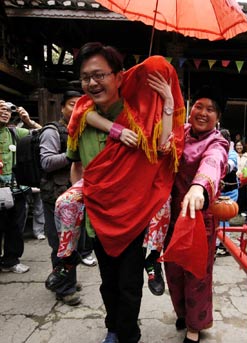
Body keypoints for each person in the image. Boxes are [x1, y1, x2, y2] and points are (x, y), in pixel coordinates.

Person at [66, 42, 184, 343]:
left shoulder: (137, 114)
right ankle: (114, 327)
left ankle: (128, 334)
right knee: (108, 283)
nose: (92, 83)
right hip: (97, 218)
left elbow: (161, 146)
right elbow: (76, 164)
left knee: (129, 284)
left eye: (99, 75)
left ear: (120, 77)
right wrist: (76, 199)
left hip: (133, 220)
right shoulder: (82, 117)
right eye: (85, 77)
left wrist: (167, 101)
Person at [164, 85, 229, 343]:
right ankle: (182, 312)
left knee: (197, 274)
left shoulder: (217, 142)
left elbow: (213, 162)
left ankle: (195, 325)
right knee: (173, 269)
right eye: (199, 106)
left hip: (199, 217)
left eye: (210, 109)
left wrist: (199, 186)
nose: (203, 113)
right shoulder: (179, 133)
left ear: (218, 117)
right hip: (171, 215)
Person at [40, 89, 87, 306]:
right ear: (62, 107)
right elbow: (47, 162)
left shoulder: (81, 128)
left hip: (76, 196)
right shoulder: (52, 131)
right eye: (71, 103)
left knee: (73, 242)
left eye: (80, 103)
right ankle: (65, 288)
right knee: (59, 242)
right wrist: (72, 153)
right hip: (55, 195)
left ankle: (67, 279)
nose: (76, 107)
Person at [0, 100, 41, 273]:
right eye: (0, 109)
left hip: (14, 188)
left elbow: (44, 134)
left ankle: (11, 260)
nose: (5, 112)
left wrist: (28, 121)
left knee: (15, 226)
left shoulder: (14, 132)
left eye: (8, 110)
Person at [216, 128, 238, 256]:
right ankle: (219, 243)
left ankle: (225, 244)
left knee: (224, 217)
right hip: (218, 190)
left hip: (230, 190)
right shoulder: (216, 150)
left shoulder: (232, 154)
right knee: (217, 218)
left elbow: (229, 166)